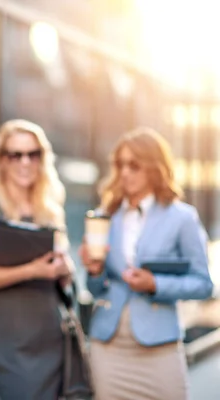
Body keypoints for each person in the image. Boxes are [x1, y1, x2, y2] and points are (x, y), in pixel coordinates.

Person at [79, 127, 213, 400]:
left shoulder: (181, 218)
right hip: (109, 346)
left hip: (159, 347)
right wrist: (94, 271)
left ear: (154, 167)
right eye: (120, 164)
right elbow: (95, 288)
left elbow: (204, 285)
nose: (125, 172)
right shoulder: (106, 216)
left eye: (134, 164)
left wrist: (155, 284)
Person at [0, 119, 74, 399]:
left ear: (42, 158)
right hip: (13, 339)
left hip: (51, 333)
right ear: (2, 161)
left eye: (32, 154)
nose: (24, 162)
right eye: (15, 154)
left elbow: (63, 277)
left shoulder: (50, 208)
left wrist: (65, 269)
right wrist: (33, 270)